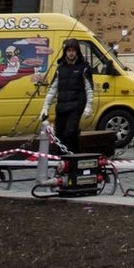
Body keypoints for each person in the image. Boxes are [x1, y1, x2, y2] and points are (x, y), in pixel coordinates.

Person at [42, 37, 94, 176]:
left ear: (77, 52)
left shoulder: (83, 68)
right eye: (68, 50)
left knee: (70, 132)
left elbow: (89, 88)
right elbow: (52, 89)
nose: (71, 53)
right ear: (65, 52)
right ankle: (62, 165)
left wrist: (89, 106)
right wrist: (45, 107)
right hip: (61, 107)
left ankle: (75, 160)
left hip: (76, 105)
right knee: (59, 136)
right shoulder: (60, 68)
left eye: (73, 50)